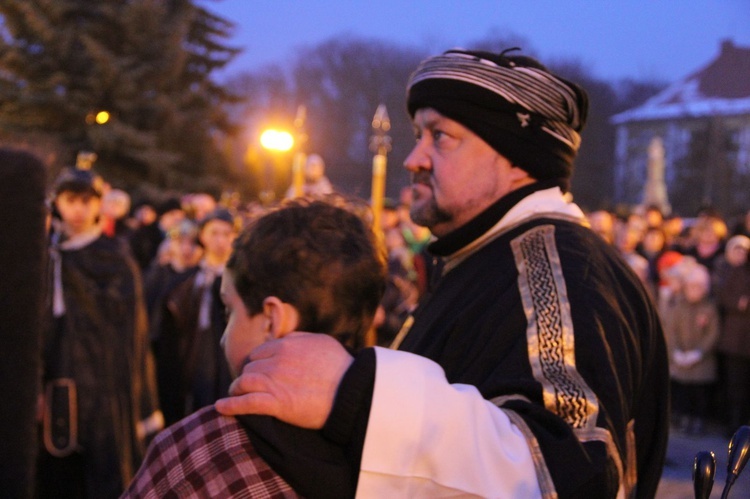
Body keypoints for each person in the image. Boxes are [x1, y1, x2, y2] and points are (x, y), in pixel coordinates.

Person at [216, 48, 669, 497]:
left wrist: (355, 392)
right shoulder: (484, 258)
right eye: (418, 135)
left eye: (441, 136)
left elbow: (564, 471)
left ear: (516, 158)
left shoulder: (559, 268)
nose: (415, 158)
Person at [122, 198, 387, 498]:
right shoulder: (398, 451)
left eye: (229, 311)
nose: (224, 336)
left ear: (273, 321)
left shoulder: (199, 457)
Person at [38, 167, 161, 498]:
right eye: (70, 200)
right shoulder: (46, 256)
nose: (78, 210)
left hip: (106, 387)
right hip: (56, 384)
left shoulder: (114, 257)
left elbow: (132, 334)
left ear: (98, 206)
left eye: (85, 201)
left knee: (105, 476)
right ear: (57, 203)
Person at [155, 208, 238, 425]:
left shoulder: (241, 283)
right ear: (202, 236)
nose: (220, 240)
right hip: (191, 361)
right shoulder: (186, 281)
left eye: (226, 234)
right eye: (214, 233)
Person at [665, 262, 719, 434]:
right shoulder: (678, 307)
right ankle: (683, 417)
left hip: (701, 362)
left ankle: (698, 420)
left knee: (699, 395)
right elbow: (671, 331)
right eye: (691, 286)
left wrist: (699, 353)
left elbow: (713, 333)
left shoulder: (709, 308)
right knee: (683, 393)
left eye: (698, 287)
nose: (694, 290)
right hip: (680, 360)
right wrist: (676, 352)